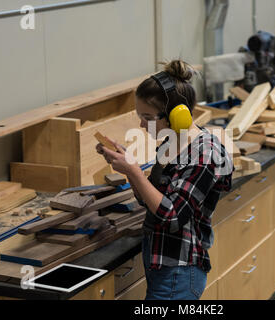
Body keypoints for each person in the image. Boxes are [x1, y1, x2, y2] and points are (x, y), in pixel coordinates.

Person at [96, 59, 233, 300]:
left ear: (176, 115)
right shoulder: (173, 143)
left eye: (147, 117)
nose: (141, 124)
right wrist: (130, 168)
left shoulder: (204, 154)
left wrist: (135, 172)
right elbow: (153, 200)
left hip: (179, 271)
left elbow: (172, 216)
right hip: (162, 263)